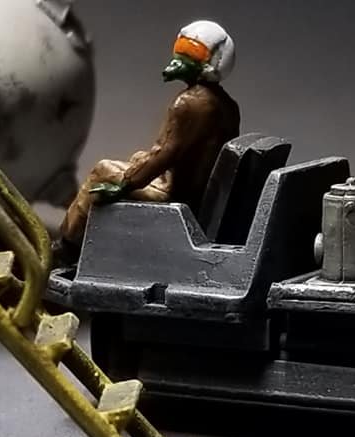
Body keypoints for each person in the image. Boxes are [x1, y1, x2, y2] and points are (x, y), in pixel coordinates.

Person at [55, 20, 241, 264]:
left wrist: (124, 185)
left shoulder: (187, 103)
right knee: (136, 159)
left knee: (102, 171)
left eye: (192, 52)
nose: (181, 57)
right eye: (181, 48)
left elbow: (163, 153)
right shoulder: (229, 107)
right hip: (199, 192)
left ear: (212, 62)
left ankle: (67, 246)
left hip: (177, 195)